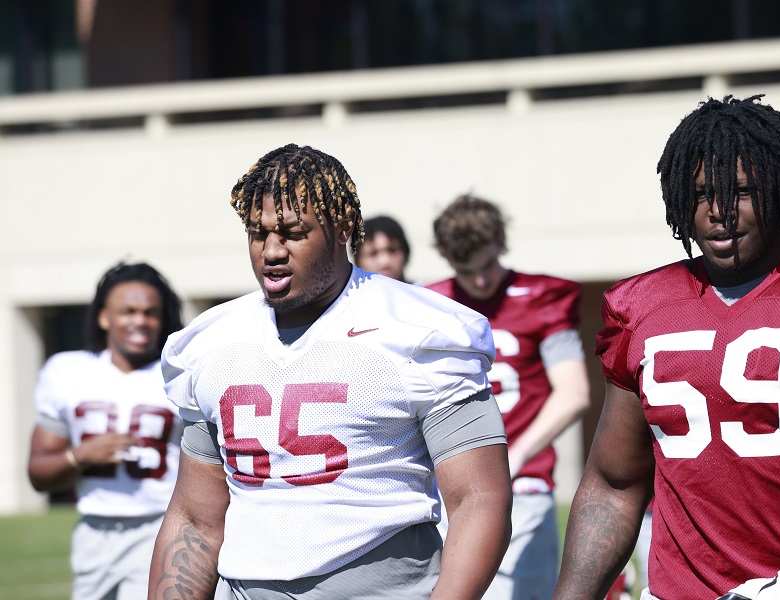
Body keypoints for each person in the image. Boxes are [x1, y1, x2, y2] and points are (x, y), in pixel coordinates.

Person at [553, 95, 780, 600]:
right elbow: (614, 483)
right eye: (703, 194)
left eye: (743, 193)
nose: (719, 213)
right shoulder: (641, 305)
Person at [149, 144, 512, 600]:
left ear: (341, 228)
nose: (272, 250)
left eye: (293, 232)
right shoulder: (213, 343)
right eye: (258, 234)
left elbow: (479, 499)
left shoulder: (418, 328)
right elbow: (194, 522)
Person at [427, 195, 590, 600]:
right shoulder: (430, 303)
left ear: (501, 241)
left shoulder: (541, 296)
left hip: (524, 480)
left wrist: (515, 456)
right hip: (453, 481)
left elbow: (574, 393)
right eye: (467, 271)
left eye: (486, 266)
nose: (481, 282)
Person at [27, 262, 184, 600]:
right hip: (93, 531)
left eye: (150, 312)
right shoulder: (67, 370)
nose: (140, 320)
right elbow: (38, 474)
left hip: (159, 526)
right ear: (104, 317)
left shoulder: (179, 373)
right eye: (128, 311)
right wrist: (80, 455)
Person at [355, 214, 412, 282]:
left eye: (392, 250)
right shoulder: (347, 292)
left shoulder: (423, 291)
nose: (384, 262)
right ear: (357, 260)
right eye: (373, 253)